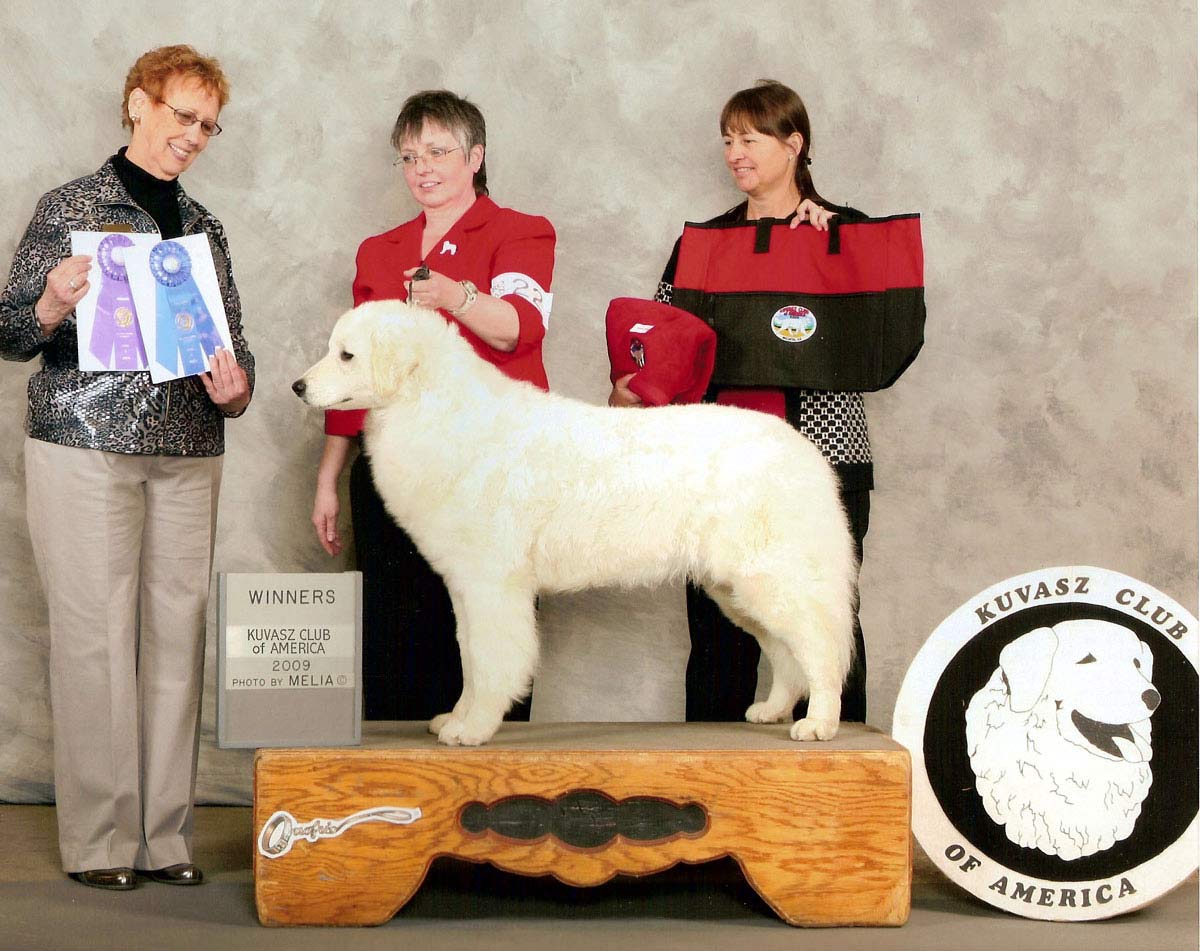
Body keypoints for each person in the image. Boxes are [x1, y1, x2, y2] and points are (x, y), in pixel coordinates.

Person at [0, 45, 253, 890]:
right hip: (83, 443)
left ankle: (165, 835)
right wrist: (50, 303)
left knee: (175, 641)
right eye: (183, 115)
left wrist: (234, 383)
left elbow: (236, 356)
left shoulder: (205, 227)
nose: (194, 136)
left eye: (208, 126)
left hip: (188, 449)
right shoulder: (69, 207)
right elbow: (9, 332)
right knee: (95, 640)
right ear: (138, 104)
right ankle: (104, 841)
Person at [610, 79, 871, 724]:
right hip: (712, 465)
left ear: (794, 143)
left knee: (818, 607)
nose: (734, 152)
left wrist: (834, 249)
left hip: (822, 447)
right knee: (720, 623)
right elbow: (665, 337)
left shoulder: (849, 234)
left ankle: (844, 777)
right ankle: (714, 788)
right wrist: (631, 389)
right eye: (728, 140)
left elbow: (875, 334)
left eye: (749, 138)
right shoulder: (701, 244)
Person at [311, 90, 555, 722]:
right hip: (396, 469)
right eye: (409, 156)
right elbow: (350, 380)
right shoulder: (379, 251)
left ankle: (492, 772)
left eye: (439, 152)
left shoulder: (521, 232)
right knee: (396, 633)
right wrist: (329, 479)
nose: (423, 168)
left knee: (487, 606)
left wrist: (456, 295)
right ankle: (400, 797)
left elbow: (519, 329)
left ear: (475, 157)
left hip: (492, 467)